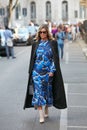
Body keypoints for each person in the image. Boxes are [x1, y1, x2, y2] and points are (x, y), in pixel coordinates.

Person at [23, 24, 67, 123]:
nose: (42, 34)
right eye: (41, 32)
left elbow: (55, 59)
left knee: (47, 93)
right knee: (38, 94)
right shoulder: (35, 44)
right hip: (36, 73)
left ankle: (46, 107)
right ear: (39, 33)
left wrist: (52, 70)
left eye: (44, 32)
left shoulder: (53, 43)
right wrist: (31, 72)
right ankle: (41, 116)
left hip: (48, 74)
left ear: (47, 33)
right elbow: (32, 59)